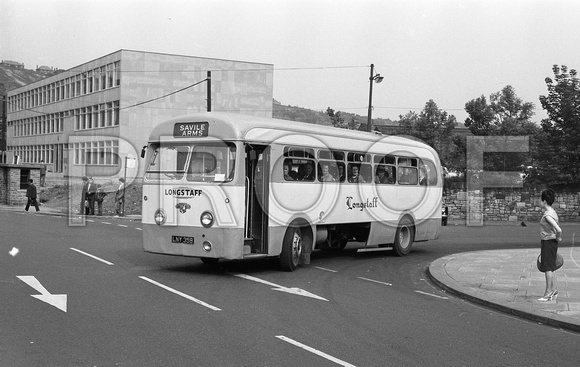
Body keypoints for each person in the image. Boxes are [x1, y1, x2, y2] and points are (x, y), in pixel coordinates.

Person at [537, 188, 563, 302]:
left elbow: (558, 229)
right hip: (550, 241)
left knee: (547, 267)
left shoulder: (548, 215)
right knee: (551, 266)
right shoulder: (552, 211)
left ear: (544, 201)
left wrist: (558, 236)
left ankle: (548, 293)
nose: (539, 201)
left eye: (540, 199)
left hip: (548, 241)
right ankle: (554, 290)